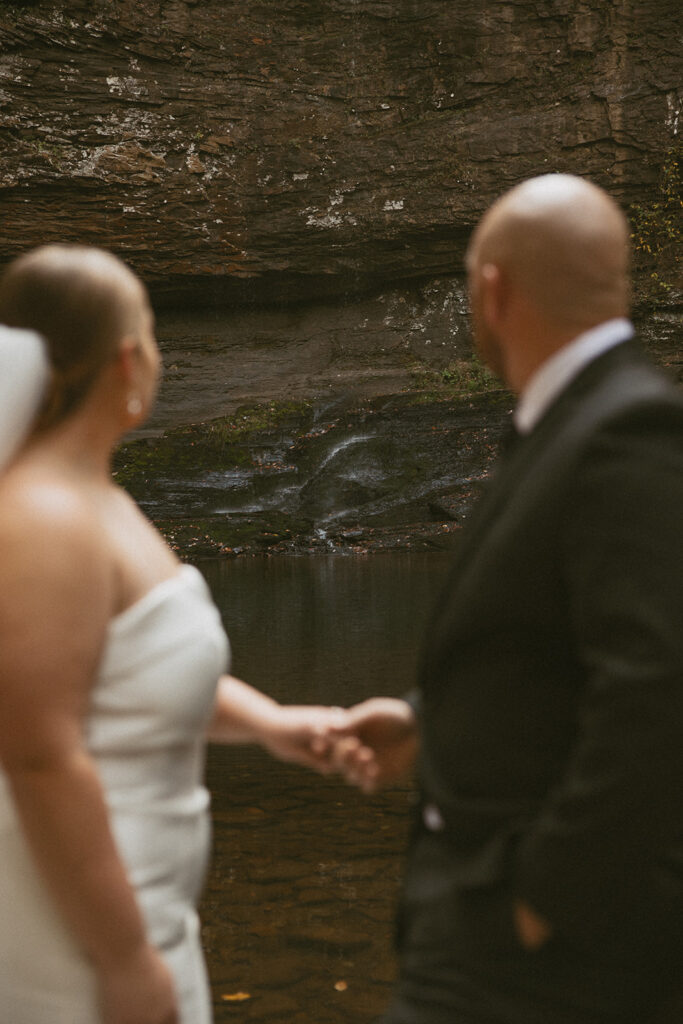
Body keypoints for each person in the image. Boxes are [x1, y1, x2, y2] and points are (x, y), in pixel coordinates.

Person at [332, 174, 683, 1023]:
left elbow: (655, 684)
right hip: (495, 918)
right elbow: (545, 642)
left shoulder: (628, 430)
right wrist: (429, 722)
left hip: (542, 949)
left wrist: (542, 898)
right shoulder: (564, 421)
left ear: (490, 290)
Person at [0, 245, 342, 1024]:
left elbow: (125, 676)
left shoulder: (97, 499)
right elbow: (38, 753)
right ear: (128, 359)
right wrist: (122, 960)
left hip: (140, 909)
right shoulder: (45, 519)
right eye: (153, 334)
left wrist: (273, 725)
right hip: (75, 937)